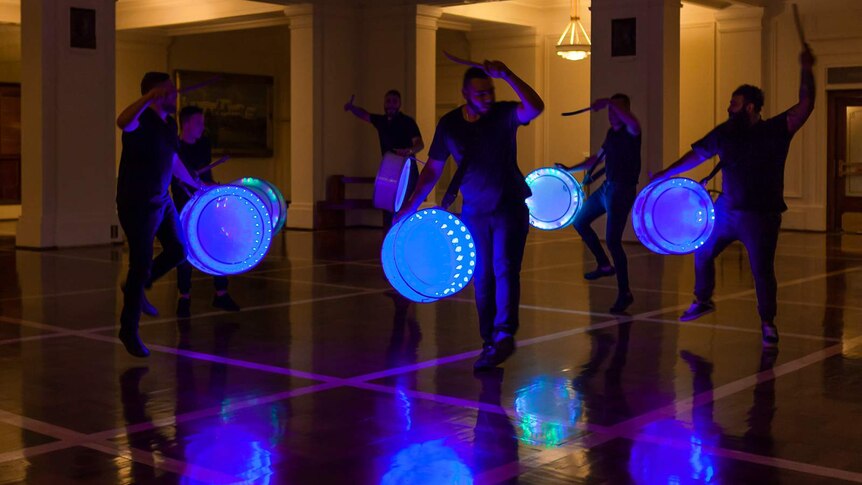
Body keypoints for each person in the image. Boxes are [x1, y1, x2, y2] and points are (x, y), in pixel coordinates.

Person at [650, 46, 816, 347]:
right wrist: (665, 174)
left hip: (761, 215)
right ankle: (703, 299)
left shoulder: (775, 130)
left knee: (761, 271)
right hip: (726, 210)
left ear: (751, 107)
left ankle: (768, 322)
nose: (729, 108)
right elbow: (697, 154)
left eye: (734, 104)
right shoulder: (726, 133)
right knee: (702, 249)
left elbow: (806, 105)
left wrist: (806, 69)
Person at [395, 61, 544, 370]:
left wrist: (508, 75)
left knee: (504, 269)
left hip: (508, 207)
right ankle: (489, 342)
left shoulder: (503, 114)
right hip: (474, 211)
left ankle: (504, 335)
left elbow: (535, 107)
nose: (487, 97)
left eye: (490, 91)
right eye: (480, 93)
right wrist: (409, 207)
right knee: (482, 278)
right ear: (465, 94)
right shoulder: (450, 124)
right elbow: (433, 169)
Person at [116, 72, 206, 357]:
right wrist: (147, 99)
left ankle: (139, 285)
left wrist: (199, 185)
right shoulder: (139, 121)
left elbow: (175, 161)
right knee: (139, 264)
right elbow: (122, 121)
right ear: (153, 94)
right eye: (167, 92)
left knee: (179, 249)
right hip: (137, 203)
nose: (174, 96)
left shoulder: (168, 125)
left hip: (162, 199)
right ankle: (128, 330)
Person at [556, 94, 641, 314]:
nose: (612, 115)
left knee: (613, 241)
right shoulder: (611, 134)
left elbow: (632, 122)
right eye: (610, 111)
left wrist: (609, 102)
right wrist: (569, 169)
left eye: (616, 110)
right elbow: (596, 159)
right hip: (607, 188)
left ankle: (625, 293)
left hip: (622, 191)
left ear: (625, 110)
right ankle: (604, 264)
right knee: (580, 221)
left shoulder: (632, 132)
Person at [172, 106, 241, 318]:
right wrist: (201, 185)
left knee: (218, 245)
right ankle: (184, 297)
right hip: (184, 204)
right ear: (186, 124)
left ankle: (221, 293)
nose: (203, 127)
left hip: (206, 201)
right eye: (199, 123)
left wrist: (210, 186)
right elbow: (181, 179)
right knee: (185, 251)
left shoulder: (203, 144)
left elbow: (204, 174)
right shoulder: (175, 146)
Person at [345, 90, 424, 225]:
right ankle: (388, 238)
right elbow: (365, 115)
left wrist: (409, 150)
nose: (391, 105)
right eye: (388, 101)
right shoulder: (381, 121)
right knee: (388, 207)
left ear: (399, 104)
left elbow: (419, 144)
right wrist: (352, 108)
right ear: (384, 103)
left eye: (394, 101)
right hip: (388, 171)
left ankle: (403, 238)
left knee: (404, 207)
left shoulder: (407, 122)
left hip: (407, 172)